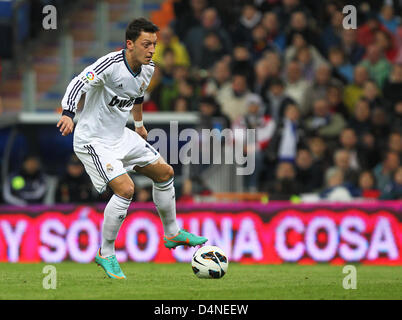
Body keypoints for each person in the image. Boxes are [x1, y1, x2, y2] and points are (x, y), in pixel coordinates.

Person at [57, 18, 207, 280]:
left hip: (120, 135)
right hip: (92, 140)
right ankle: (106, 252)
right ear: (130, 44)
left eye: (154, 44)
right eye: (146, 44)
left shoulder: (148, 68)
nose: (151, 50)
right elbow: (77, 83)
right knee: (127, 189)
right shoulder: (110, 65)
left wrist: (139, 125)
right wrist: (69, 113)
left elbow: (137, 95)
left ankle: (172, 233)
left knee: (165, 173)